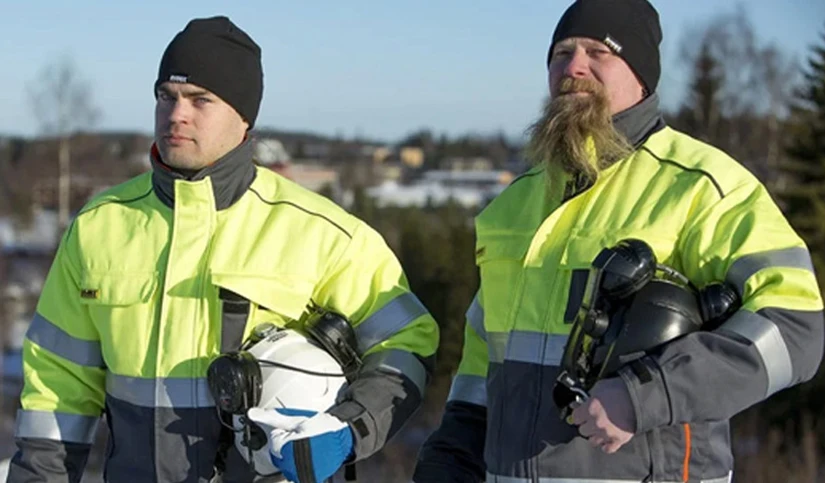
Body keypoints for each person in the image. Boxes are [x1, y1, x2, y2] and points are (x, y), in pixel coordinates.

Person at [8, 16, 438, 483]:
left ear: (244, 117)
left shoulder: (323, 234)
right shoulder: (100, 226)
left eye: (200, 100)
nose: (177, 115)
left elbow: (407, 343)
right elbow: (56, 387)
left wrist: (347, 427)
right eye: (166, 96)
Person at [413, 1, 824, 482]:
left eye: (597, 51)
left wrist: (646, 393)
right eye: (561, 52)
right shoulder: (516, 202)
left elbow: (795, 326)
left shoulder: (703, 187)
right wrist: (458, 442)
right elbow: (488, 346)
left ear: (642, 75)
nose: (573, 67)